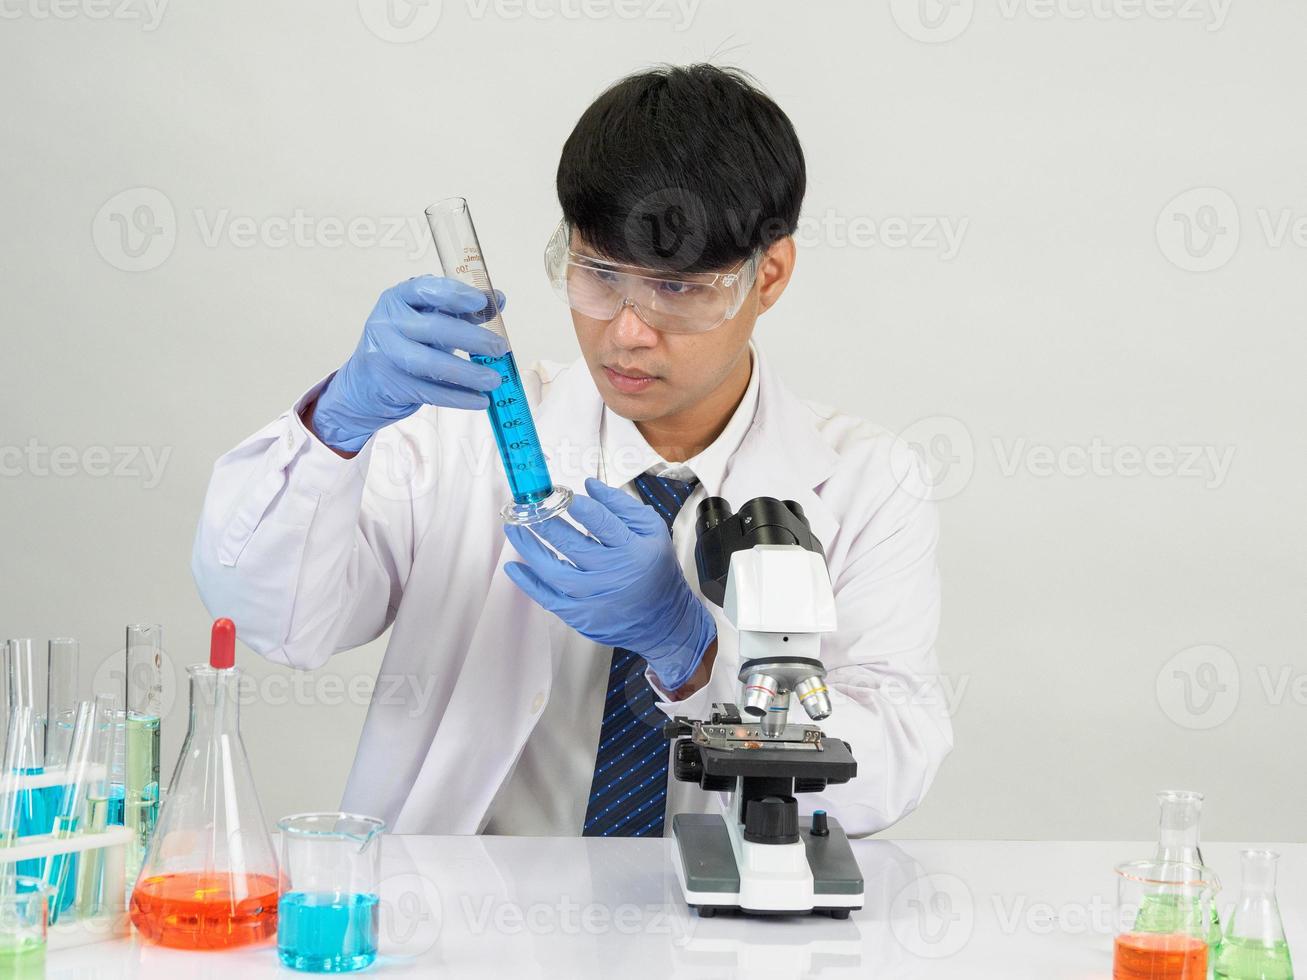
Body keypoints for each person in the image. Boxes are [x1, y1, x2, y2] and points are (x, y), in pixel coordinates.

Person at [192, 64, 952, 838]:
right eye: (598, 274)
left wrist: (688, 648)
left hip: (713, 939)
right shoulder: (461, 431)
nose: (626, 330)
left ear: (769, 275)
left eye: (677, 290)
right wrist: (335, 427)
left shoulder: (866, 482)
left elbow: (881, 775)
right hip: (459, 932)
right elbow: (278, 621)